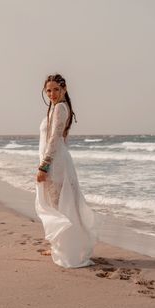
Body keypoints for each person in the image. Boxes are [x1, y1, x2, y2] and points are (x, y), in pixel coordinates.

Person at [35, 73, 101, 268]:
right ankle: (59, 246)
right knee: (58, 205)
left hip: (55, 164)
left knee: (59, 206)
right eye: (48, 90)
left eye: (56, 89)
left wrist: (44, 165)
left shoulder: (60, 109)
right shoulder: (57, 108)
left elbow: (55, 138)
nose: (52, 93)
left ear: (64, 89)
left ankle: (65, 250)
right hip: (58, 161)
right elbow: (62, 140)